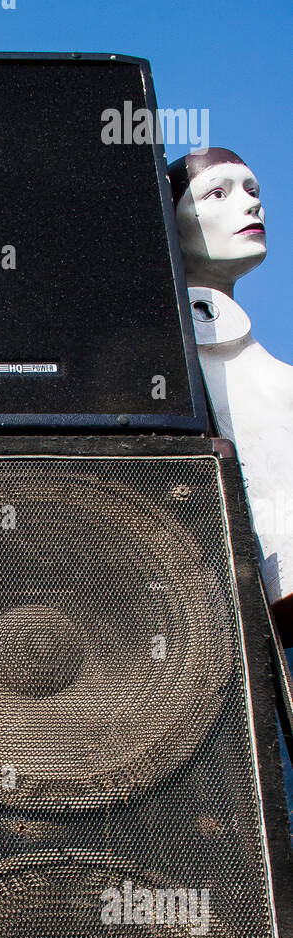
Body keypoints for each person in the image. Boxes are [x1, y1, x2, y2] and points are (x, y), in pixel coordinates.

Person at [169, 148, 293, 642]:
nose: (250, 205)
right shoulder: (162, 370)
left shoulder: (280, 379)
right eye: (216, 194)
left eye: (253, 191)